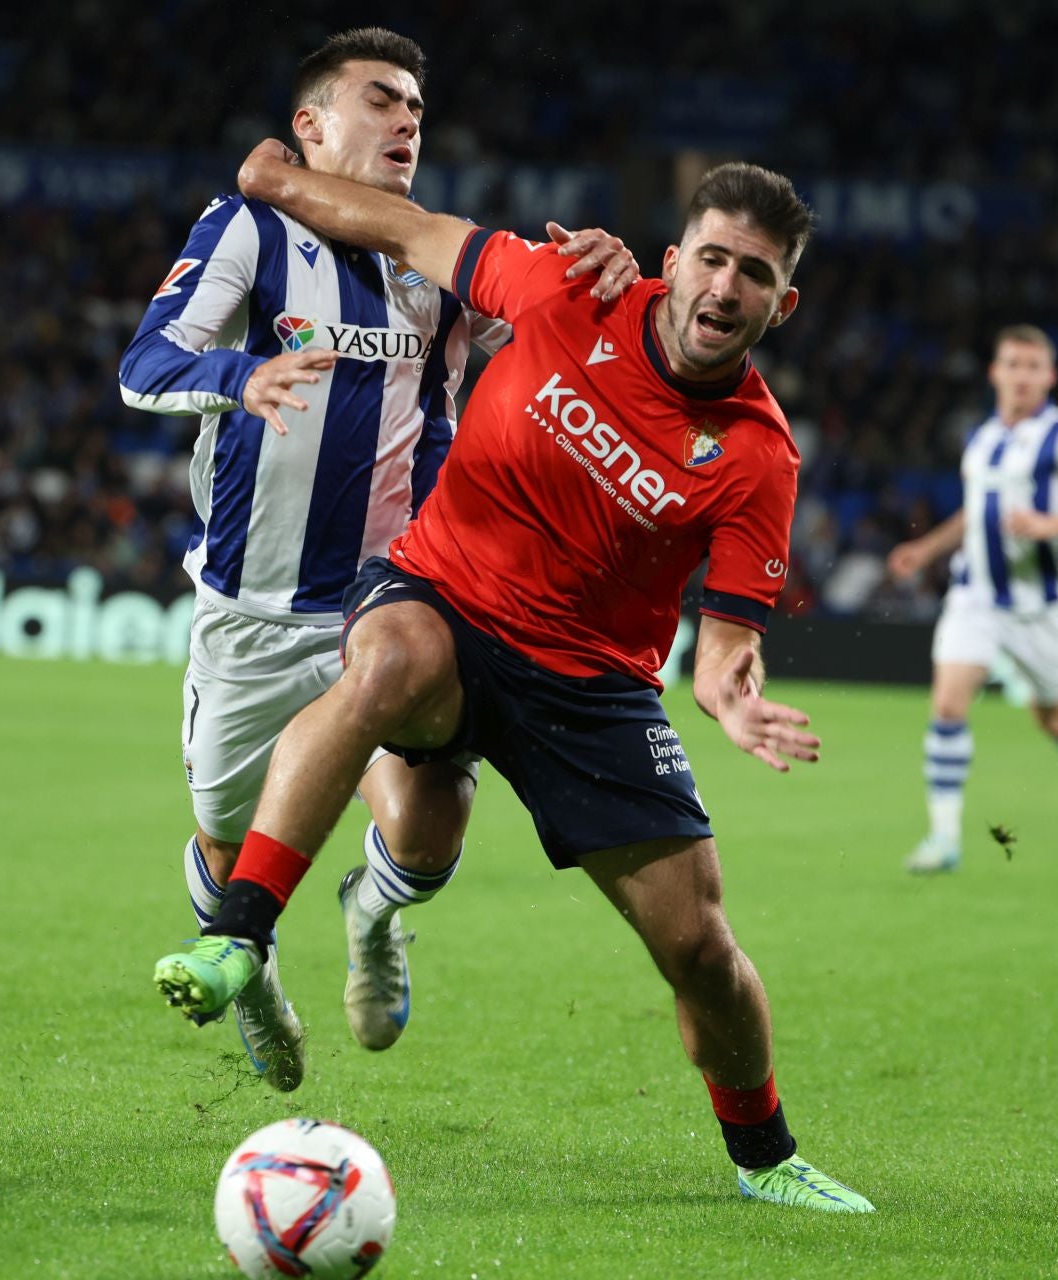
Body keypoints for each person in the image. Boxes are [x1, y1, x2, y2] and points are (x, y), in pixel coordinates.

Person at [155, 142, 876, 1212]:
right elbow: (406, 229)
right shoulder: (560, 286)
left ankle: (766, 1154)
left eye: (755, 274)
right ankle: (237, 934)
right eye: (715, 259)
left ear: (785, 303)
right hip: (441, 597)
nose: (727, 287)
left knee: (701, 946)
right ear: (672, 262)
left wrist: (733, 694)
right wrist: (276, 181)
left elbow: (725, 638)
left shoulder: (758, 455)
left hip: (590, 688)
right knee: (385, 662)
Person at [117, 28, 639, 1092]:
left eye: (415, 107)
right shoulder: (250, 230)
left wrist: (608, 267)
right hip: (257, 608)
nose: (407, 120)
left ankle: (375, 910)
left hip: (397, 594)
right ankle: (252, 966)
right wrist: (240, 373)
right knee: (227, 847)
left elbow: (559, 337)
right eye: (380, 99)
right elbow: (144, 364)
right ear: (310, 126)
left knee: (434, 827)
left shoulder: (434, 258)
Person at [886, 326, 1058, 873]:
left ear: (1050, 376)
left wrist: (1053, 524)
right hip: (974, 595)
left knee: (1052, 716)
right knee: (949, 702)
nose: (1021, 376)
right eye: (1012, 365)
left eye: (1032, 366)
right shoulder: (983, 439)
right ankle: (944, 838)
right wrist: (926, 550)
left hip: (1037, 605)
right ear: (995, 372)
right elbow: (978, 512)